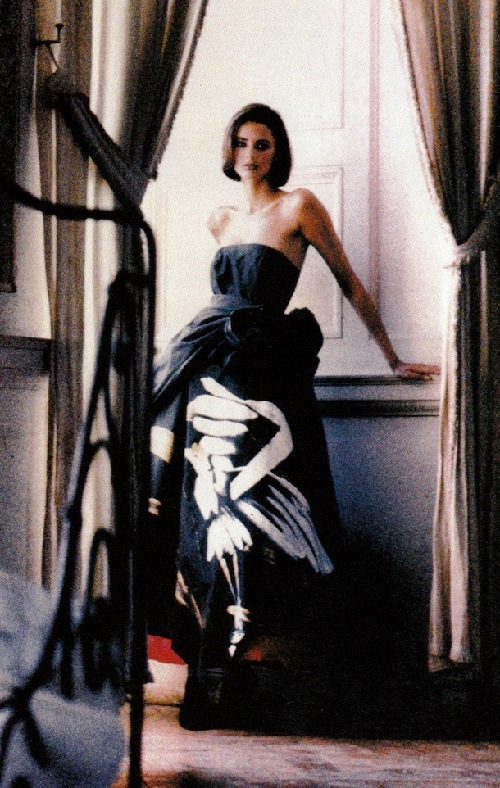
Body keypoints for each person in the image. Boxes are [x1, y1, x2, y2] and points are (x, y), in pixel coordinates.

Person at [146, 103, 439, 730]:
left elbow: (350, 282)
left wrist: (392, 358)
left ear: (277, 152)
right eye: (242, 144)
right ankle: (207, 672)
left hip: (264, 377)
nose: (252, 155)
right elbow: (219, 301)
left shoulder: (300, 205)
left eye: (264, 144)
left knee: (251, 519)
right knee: (202, 516)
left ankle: (234, 670)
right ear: (229, 151)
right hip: (210, 368)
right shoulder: (220, 218)